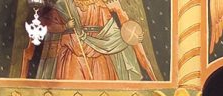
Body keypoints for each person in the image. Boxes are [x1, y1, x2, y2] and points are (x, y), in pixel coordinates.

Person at [21, 0, 158, 81]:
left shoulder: (100, 5)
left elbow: (111, 32)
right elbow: (46, 25)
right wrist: (65, 27)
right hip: (73, 53)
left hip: (99, 53)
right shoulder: (64, 4)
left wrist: (129, 36)